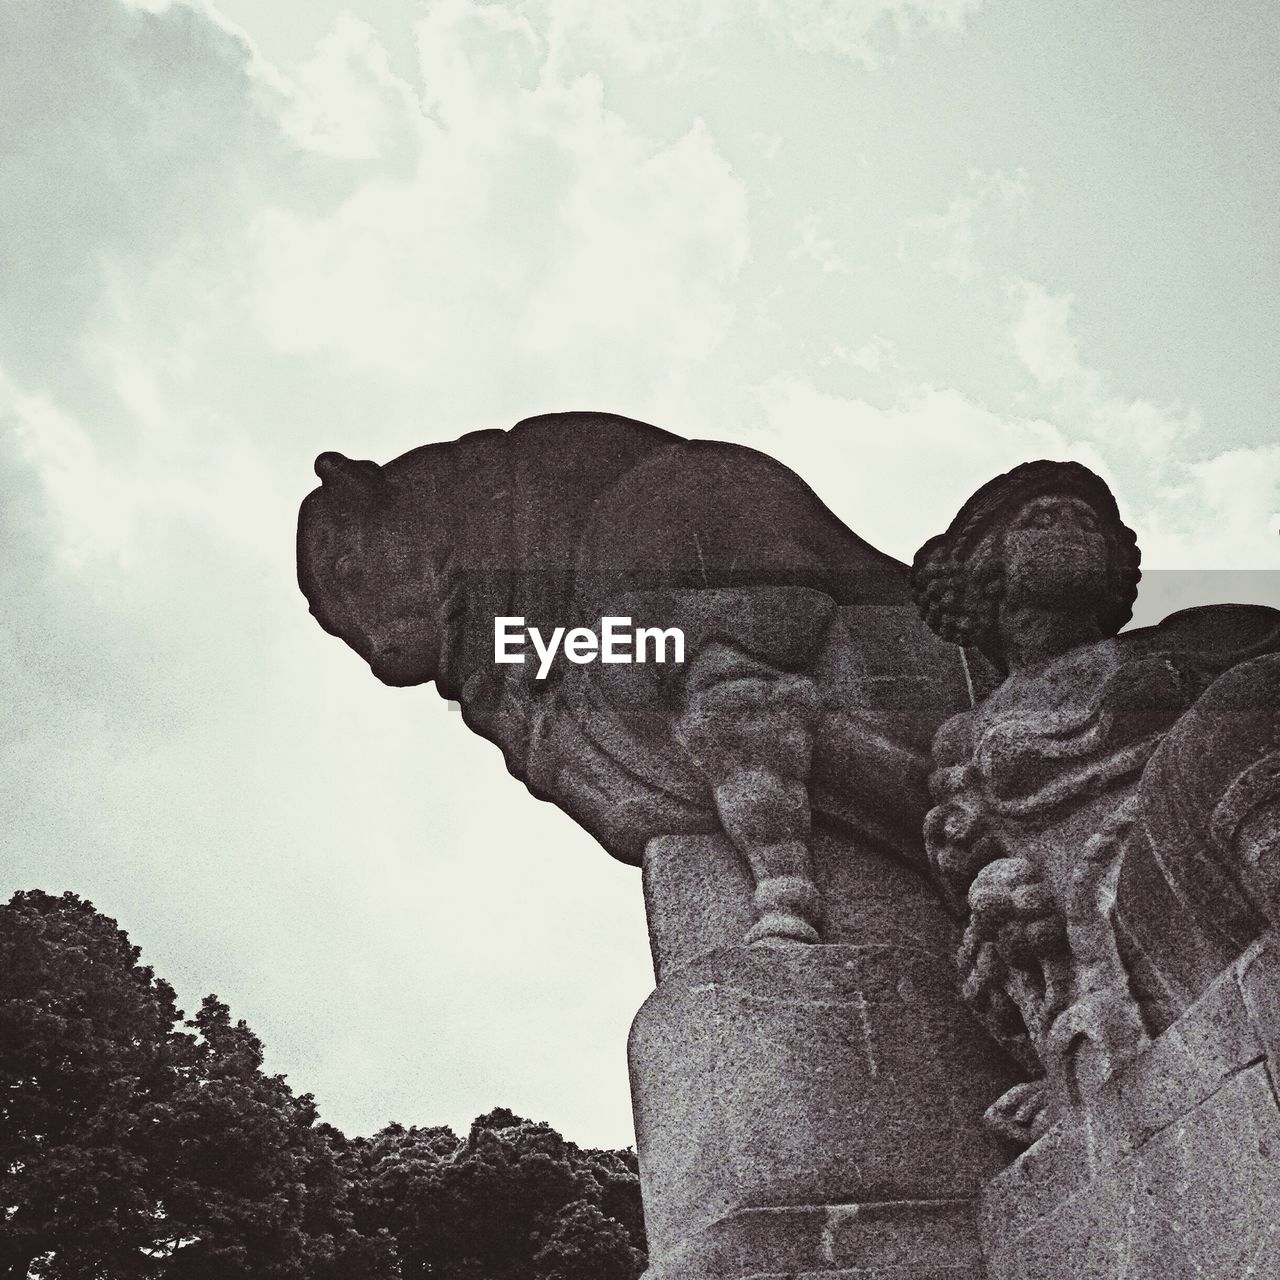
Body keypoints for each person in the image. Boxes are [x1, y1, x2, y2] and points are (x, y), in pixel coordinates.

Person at [911, 460, 1280, 1142]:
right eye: (1040, 519)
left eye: (1088, 520)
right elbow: (992, 906)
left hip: (1223, 828)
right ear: (985, 570)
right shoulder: (968, 735)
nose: (1073, 528)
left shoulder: (1197, 641)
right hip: (1119, 914)